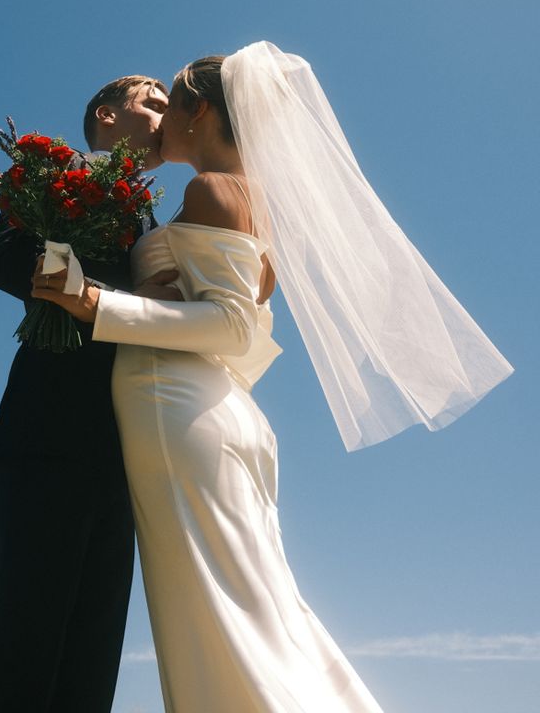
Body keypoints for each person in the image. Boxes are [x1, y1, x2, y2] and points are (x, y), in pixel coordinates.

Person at [34, 44, 513, 713]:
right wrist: (164, 300)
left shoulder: (210, 189)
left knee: (223, 626)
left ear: (201, 114)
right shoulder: (258, 204)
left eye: (172, 102)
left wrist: (95, 303)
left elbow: (229, 326)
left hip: (178, 411)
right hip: (218, 411)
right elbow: (247, 328)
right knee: (260, 614)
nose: (164, 115)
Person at [0, 75, 171, 713]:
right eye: (153, 101)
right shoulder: (64, 174)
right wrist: (82, 296)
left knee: (94, 652)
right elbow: (2, 262)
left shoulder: (154, 214)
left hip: (124, 450)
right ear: (107, 117)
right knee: (28, 636)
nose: (168, 113)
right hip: (48, 433)